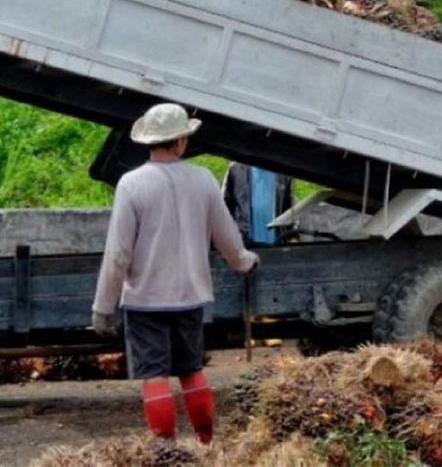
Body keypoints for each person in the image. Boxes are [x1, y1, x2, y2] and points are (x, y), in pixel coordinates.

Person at [91, 103, 258, 443]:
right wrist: (244, 261)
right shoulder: (203, 179)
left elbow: (119, 253)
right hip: (191, 296)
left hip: (146, 300)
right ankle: (207, 445)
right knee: (191, 371)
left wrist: (103, 307)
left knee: (154, 376)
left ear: (148, 141)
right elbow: (226, 235)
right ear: (182, 140)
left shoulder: (131, 184)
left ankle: (165, 452)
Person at [222, 162, 292, 245]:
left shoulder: (283, 173)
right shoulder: (236, 169)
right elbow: (224, 209)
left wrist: (291, 237)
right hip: (244, 245)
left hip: (275, 245)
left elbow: (288, 210)